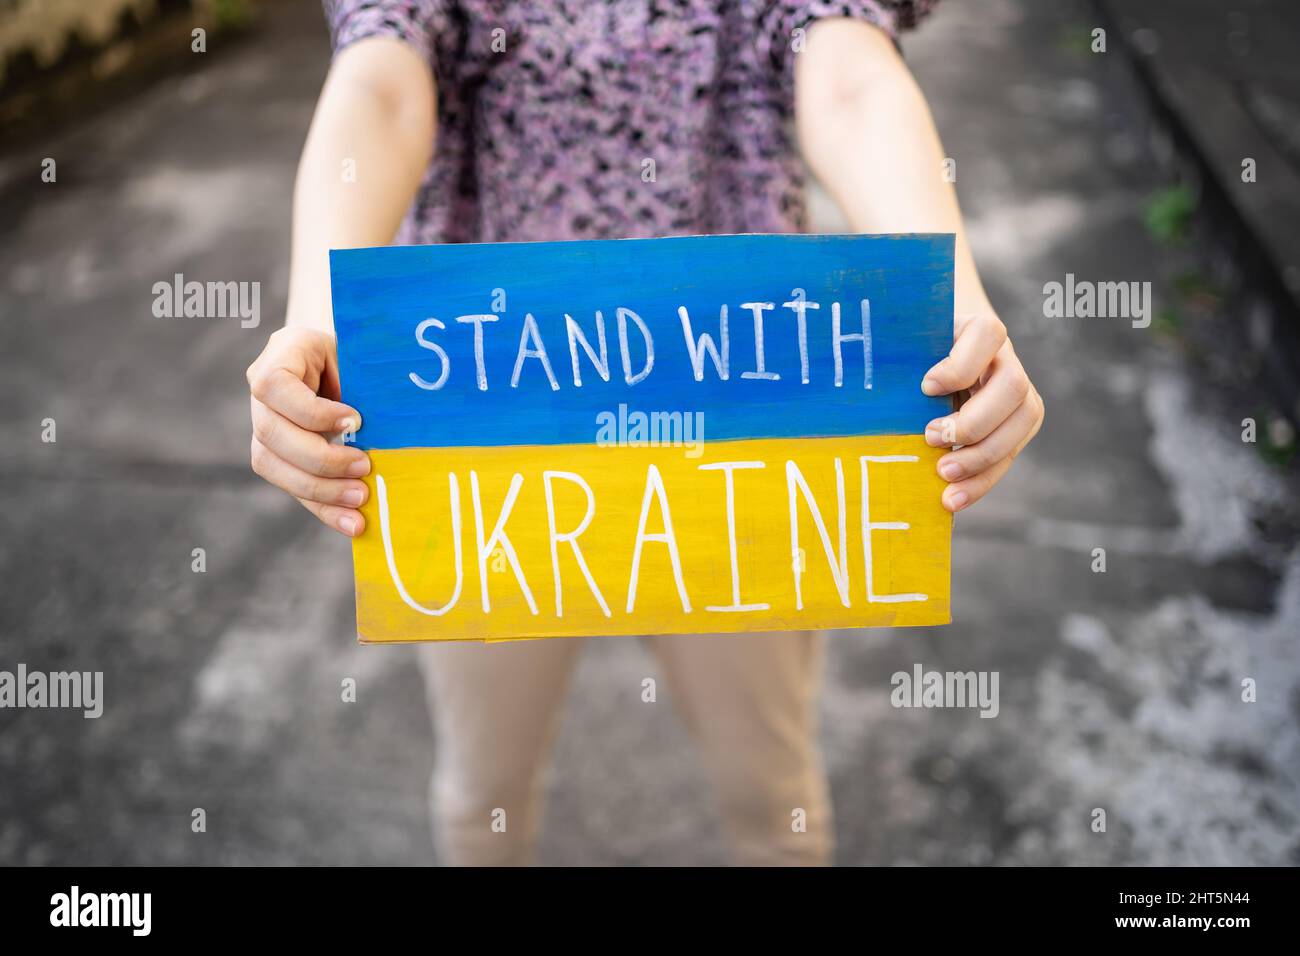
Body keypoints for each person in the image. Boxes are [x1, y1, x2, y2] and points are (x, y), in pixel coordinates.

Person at [245, 0, 1044, 865]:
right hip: (475, 424)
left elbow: (848, 69)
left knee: (771, 799)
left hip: (749, 420)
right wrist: (317, 321)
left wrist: (952, 307)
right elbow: (383, 79)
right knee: (485, 795)